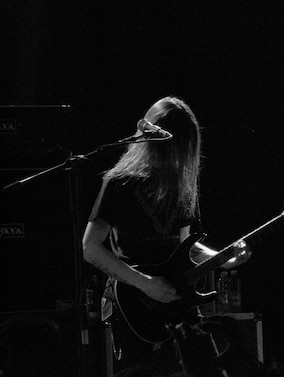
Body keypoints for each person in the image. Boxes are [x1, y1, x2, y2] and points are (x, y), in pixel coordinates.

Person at [82, 96, 251, 375]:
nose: (179, 156)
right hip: (133, 303)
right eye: (175, 147)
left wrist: (224, 259)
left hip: (178, 301)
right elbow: (90, 247)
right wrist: (146, 283)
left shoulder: (183, 185)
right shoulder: (119, 183)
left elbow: (187, 247)